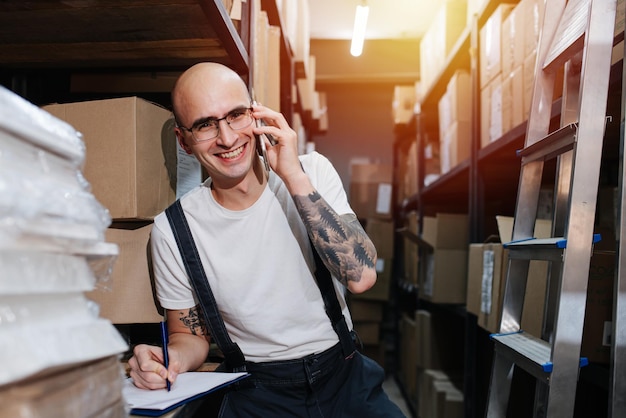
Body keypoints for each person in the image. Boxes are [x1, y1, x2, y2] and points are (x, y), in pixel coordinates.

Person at [127, 62, 405, 417]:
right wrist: (168, 360)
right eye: (205, 124)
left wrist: (292, 176)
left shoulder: (312, 171)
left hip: (343, 373)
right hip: (256, 390)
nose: (226, 138)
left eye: (236, 115)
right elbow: (189, 334)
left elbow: (361, 276)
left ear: (256, 113)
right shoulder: (173, 229)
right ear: (184, 140)